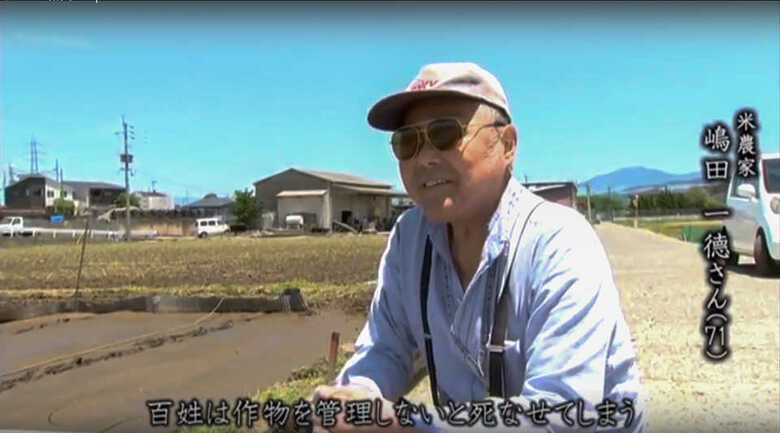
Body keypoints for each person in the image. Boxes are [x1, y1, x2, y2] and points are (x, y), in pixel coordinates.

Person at [313, 63, 648, 433]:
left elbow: (558, 415)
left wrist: (402, 427)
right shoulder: (410, 239)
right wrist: (355, 397)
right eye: (407, 142)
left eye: (445, 133)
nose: (424, 158)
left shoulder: (560, 242)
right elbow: (385, 349)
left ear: (507, 145)